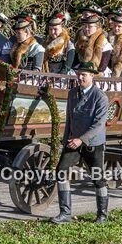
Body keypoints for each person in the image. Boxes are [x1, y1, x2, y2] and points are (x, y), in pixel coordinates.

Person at [52, 61, 110, 224]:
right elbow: (69, 119)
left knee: (98, 178)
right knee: (61, 171)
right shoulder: (72, 94)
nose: (80, 77)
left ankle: (102, 216)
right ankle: (65, 213)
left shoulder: (100, 97)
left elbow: (99, 124)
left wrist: (81, 140)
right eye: (78, 74)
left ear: (92, 76)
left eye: (84, 74)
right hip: (73, 141)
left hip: (93, 143)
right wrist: (65, 141)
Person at [74, 6, 112, 75]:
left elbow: (102, 67)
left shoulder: (104, 42)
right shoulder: (80, 39)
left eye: (90, 27)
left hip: (98, 73)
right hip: (81, 69)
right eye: (85, 26)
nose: (87, 29)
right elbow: (75, 60)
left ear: (97, 27)